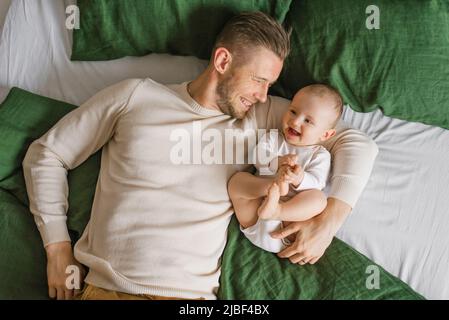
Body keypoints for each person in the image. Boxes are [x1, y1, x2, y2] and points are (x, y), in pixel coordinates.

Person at [22, 12, 378, 300]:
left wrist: (329, 221)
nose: (264, 95)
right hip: (111, 289)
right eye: (258, 81)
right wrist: (57, 249)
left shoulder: (264, 119)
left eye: (270, 86)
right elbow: (48, 154)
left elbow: (359, 145)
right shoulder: (135, 97)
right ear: (223, 60)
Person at [228, 84, 343, 253]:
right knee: (237, 181)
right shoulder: (274, 138)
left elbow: (317, 182)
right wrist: (277, 163)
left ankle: (277, 209)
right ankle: (273, 187)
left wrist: (299, 178)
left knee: (319, 199)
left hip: (284, 225)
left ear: (325, 135)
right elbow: (257, 158)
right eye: (293, 111)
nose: (295, 121)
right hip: (255, 213)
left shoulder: (319, 155)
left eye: (308, 121)